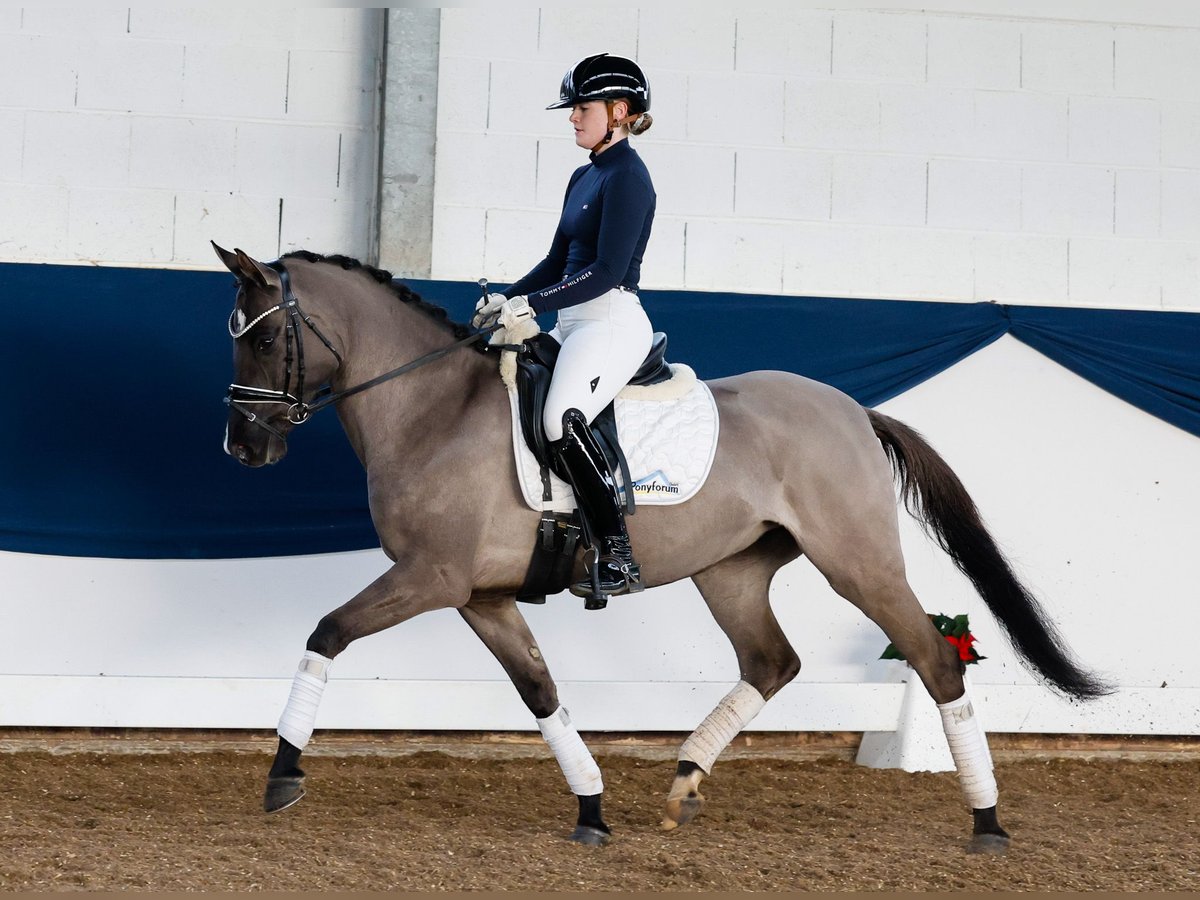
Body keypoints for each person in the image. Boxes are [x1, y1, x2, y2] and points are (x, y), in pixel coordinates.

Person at [473, 52, 657, 600]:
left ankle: (618, 553)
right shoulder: (584, 175)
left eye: (582, 107)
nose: (573, 118)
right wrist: (508, 297)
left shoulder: (629, 178)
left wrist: (531, 305)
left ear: (618, 110)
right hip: (573, 319)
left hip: (610, 321)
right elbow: (558, 262)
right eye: (573, 109)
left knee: (560, 417)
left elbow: (603, 273)